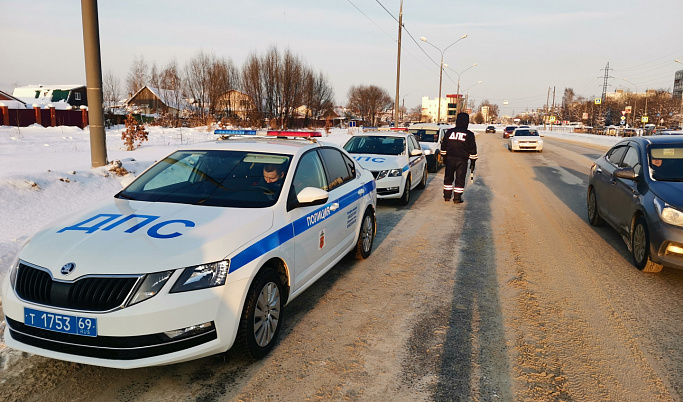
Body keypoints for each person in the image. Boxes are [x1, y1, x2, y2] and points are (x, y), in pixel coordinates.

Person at [440, 112, 478, 203]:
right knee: (460, 179)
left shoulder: (449, 132)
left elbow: (443, 146)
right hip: (462, 160)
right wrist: (473, 162)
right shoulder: (469, 134)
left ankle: (447, 196)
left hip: (449, 159)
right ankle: (457, 198)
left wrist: (444, 158)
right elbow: (473, 150)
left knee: (448, 177)